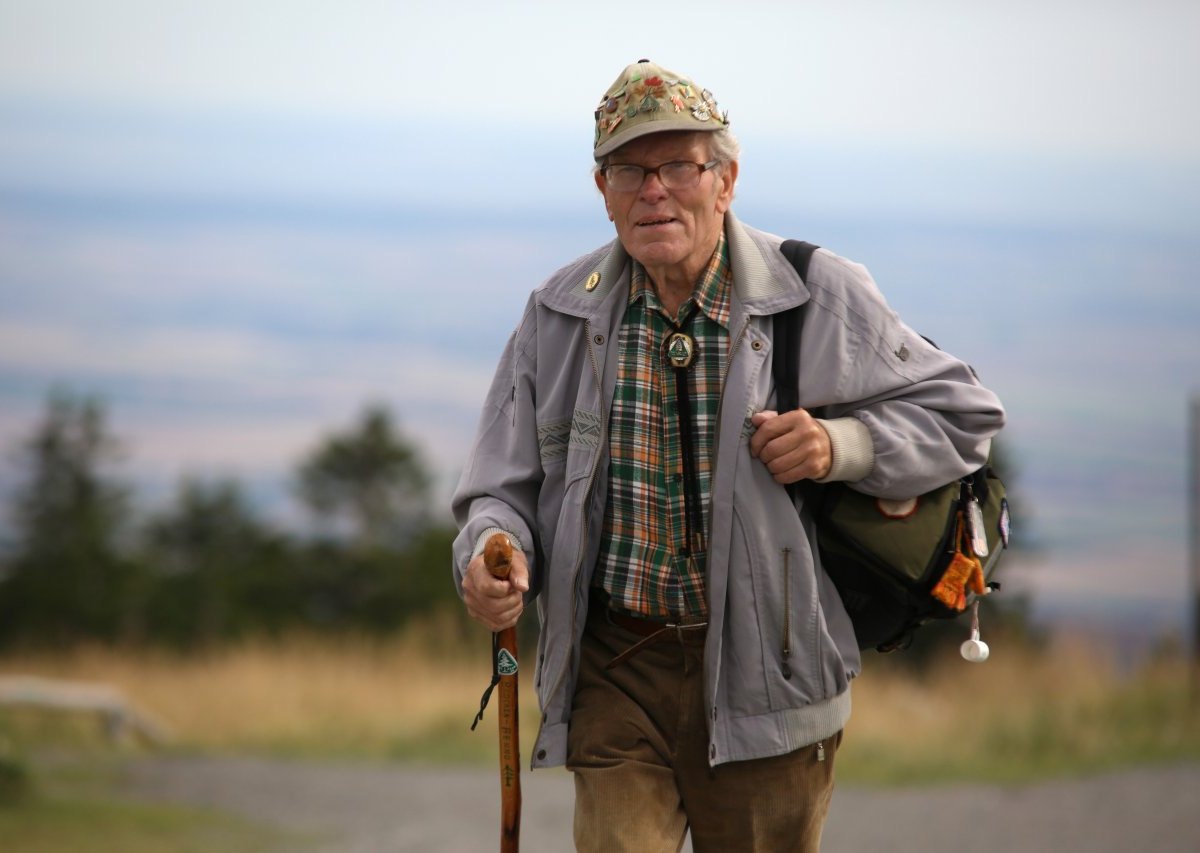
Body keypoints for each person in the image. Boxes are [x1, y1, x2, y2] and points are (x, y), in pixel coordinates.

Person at [452, 58, 1005, 852]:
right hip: (618, 665)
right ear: (601, 190)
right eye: (629, 170)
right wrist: (490, 548)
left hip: (769, 672)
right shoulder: (559, 314)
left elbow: (964, 414)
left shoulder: (816, 294)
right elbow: (499, 486)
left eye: (679, 164)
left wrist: (839, 445)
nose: (654, 189)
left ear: (727, 179)